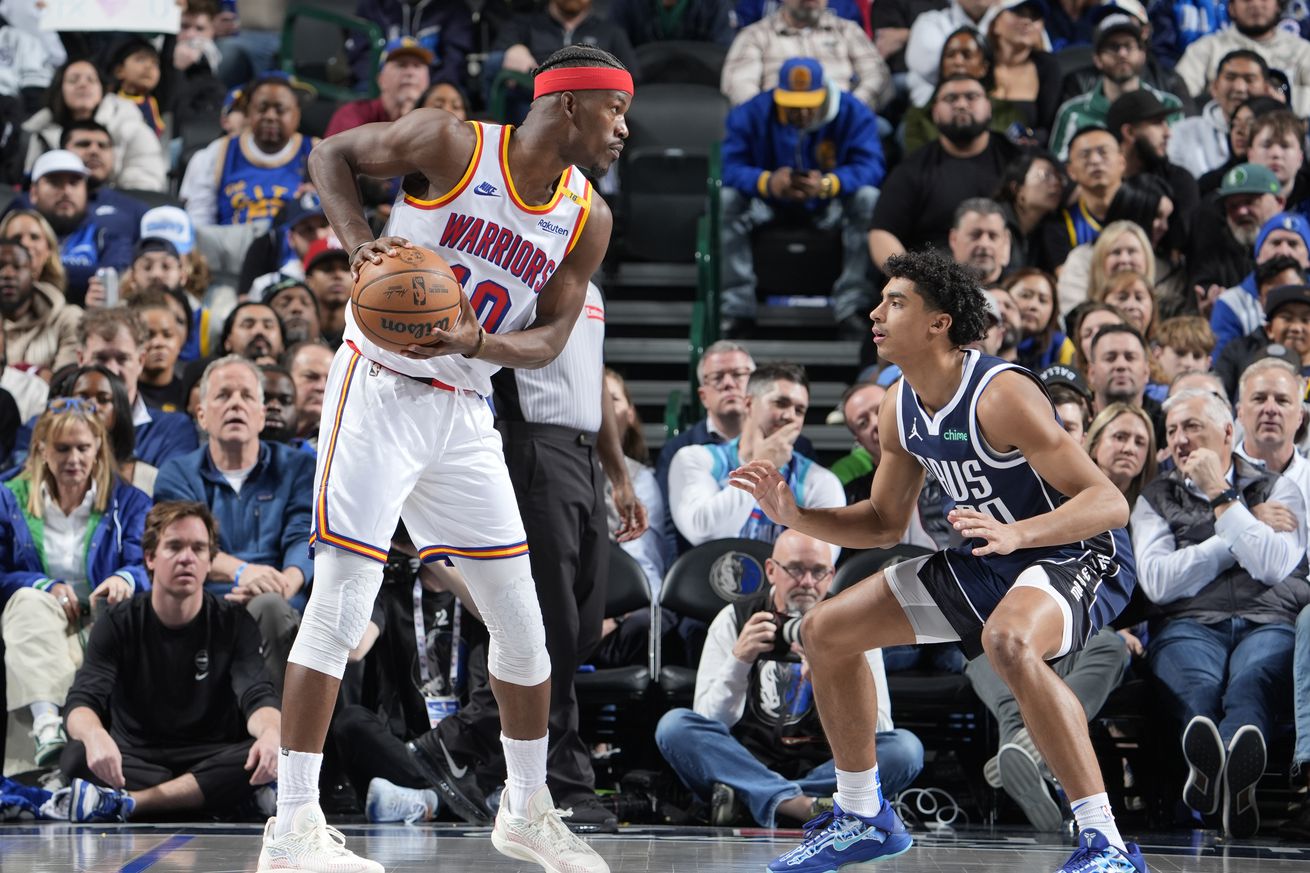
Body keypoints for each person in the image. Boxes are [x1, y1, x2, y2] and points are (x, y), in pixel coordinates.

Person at [257, 45, 630, 873]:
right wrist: (360, 247)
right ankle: (292, 827)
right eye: (615, 111)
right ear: (569, 104)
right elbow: (331, 154)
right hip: (380, 385)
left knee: (524, 625)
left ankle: (527, 808)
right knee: (344, 597)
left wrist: (479, 339)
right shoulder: (453, 143)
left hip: (465, 407)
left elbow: (551, 340)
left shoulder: (587, 215)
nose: (625, 128)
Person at [730, 250, 1144, 873]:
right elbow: (882, 523)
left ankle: (1106, 844)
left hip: (1077, 548)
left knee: (1008, 640)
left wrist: (1020, 533)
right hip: (992, 552)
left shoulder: (1001, 395)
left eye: (895, 302)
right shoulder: (899, 406)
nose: (875, 312)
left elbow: (1108, 502)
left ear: (938, 323)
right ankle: (862, 813)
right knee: (825, 631)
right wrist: (796, 516)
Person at [412, 282, 646, 832]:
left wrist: (618, 474)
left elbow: (592, 380)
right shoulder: (522, 268)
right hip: (530, 445)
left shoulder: (592, 287)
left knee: (582, 627)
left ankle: (462, 738)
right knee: (551, 629)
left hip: (584, 455)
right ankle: (560, 785)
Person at [655, 529, 924, 827]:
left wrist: (832, 682)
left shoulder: (852, 624)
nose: (807, 582)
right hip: (746, 760)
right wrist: (739, 661)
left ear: (832, 575)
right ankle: (803, 806)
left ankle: (766, 801)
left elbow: (880, 728)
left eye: (818, 572)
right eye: (795, 569)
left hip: (828, 768)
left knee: (906, 749)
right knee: (673, 726)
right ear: (771, 570)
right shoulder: (734, 619)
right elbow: (708, 720)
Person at [1132, 387, 1306, 838]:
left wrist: (1219, 492)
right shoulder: (1155, 494)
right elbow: (1159, 582)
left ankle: (1219, 770)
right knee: (1198, 687)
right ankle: (1221, 771)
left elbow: (1272, 564)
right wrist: (1240, 525)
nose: (1180, 439)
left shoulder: (1280, 484)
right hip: (1188, 623)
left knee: (1252, 682)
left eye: (1192, 426)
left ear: (1229, 431)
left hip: (1269, 618)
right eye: (1171, 431)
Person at [58, 501, 281, 823]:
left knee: (271, 753)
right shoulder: (119, 622)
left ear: (209, 561)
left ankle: (134, 804)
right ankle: (214, 800)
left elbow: (257, 695)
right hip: (137, 757)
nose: (187, 558)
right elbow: (82, 700)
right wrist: (95, 736)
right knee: (76, 756)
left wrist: (272, 735)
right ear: (150, 557)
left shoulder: (233, 621)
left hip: (213, 753)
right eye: (174, 547)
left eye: (199, 549)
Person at [0, 400, 150, 772]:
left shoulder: (127, 501)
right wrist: (41, 583)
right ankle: (47, 725)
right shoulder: (8, 498)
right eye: (62, 448)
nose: (74, 458)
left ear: (98, 447)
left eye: (83, 447)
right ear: (41, 449)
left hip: (104, 617)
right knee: (28, 602)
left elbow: (150, 562)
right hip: (40, 616)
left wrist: (124, 577)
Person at [154, 356, 316, 693]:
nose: (235, 404)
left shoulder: (298, 467)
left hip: (281, 599)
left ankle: (277, 734)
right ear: (201, 415)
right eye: (223, 395)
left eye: (246, 396)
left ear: (261, 414)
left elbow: (304, 535)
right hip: (207, 599)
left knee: (272, 608)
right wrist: (244, 572)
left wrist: (286, 582)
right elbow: (184, 546)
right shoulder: (177, 473)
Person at [718, 57, 884, 340]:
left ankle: (852, 307)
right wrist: (767, 181)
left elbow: (871, 166)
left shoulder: (852, 111)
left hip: (828, 203)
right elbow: (729, 166)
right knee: (727, 199)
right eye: (793, 103)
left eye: (809, 102)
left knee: (869, 199)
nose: (803, 110)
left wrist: (830, 183)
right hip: (769, 203)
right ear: (778, 94)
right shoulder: (752, 112)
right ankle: (737, 308)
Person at [669, 363, 844, 551]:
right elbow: (703, 533)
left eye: (799, 410)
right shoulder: (696, 459)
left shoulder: (820, 481)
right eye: (780, 403)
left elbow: (819, 558)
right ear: (748, 404)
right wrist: (761, 466)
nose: (790, 416)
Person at [868, 75, 1020, 270]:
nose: (961, 105)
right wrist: (914, 279)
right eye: (950, 99)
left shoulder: (1017, 158)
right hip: (937, 284)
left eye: (971, 96)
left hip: (1011, 282)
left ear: (989, 107)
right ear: (935, 113)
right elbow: (881, 233)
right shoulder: (913, 169)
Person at [179, 73, 318, 227]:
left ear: (297, 115)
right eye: (262, 108)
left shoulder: (317, 152)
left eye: (280, 110)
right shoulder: (217, 152)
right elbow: (200, 222)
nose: (270, 116)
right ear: (249, 112)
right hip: (232, 246)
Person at [1049, 11, 1185, 161]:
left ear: (1142, 54)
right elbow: (1061, 167)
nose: (1122, 54)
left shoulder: (1168, 105)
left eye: (1129, 45)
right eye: (1113, 47)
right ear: (1097, 59)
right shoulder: (1073, 112)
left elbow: (1178, 162)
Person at [77, 306, 198, 468]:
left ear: (141, 361)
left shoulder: (173, 430)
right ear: (80, 359)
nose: (112, 370)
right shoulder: (47, 426)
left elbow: (170, 490)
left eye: (122, 359)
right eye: (101, 358)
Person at [21, 58, 166, 192]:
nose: (83, 84)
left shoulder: (132, 128)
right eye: (73, 80)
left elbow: (146, 186)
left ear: (103, 89)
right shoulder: (38, 133)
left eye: (91, 80)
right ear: (60, 89)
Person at [722, 0, 892, 111]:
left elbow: (877, 76)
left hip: (842, 122)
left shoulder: (848, 30)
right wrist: (767, 118)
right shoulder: (755, 35)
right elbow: (739, 85)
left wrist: (852, 110)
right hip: (776, 122)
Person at [25, 150, 134, 307]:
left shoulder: (108, 230)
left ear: (86, 190)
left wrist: (42, 272)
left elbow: (113, 278)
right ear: (34, 192)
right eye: (55, 182)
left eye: (74, 183)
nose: (66, 191)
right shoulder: (20, 230)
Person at [1175, 0, 1310, 116]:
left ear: (1278, 5)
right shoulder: (1206, 48)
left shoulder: (1303, 51)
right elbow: (1178, 98)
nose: (1256, 4)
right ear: (1231, 8)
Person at [55, 364, 159, 493]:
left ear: (119, 410)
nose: (92, 405)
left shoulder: (148, 477)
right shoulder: (46, 471)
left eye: (103, 400)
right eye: (82, 398)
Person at [1169, 50, 1271, 178]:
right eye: (1230, 78)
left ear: (1266, 89)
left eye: (1249, 79)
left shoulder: (1282, 132)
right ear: (1214, 87)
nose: (1239, 88)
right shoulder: (1182, 132)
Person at [1213, 260, 1309, 395]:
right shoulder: (1239, 352)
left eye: (1306, 320)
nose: (1296, 328)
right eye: (1287, 318)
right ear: (1269, 328)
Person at [1041, 125, 1126, 269]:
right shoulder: (1059, 226)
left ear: (1122, 161)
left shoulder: (1146, 209)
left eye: (1103, 152)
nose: (1095, 160)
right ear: (1071, 170)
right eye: (1084, 155)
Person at [0, 235, 81, 375]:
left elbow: (64, 383)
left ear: (34, 272)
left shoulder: (67, 319)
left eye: (17, 266)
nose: (7, 274)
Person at [326, 38, 432, 137]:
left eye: (417, 66)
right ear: (381, 79)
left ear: (428, 81)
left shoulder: (434, 120)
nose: (410, 73)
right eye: (401, 65)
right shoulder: (353, 114)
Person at [609, 0, 735, 46]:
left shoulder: (716, 4)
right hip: (639, 87)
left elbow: (722, 51)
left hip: (702, 86)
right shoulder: (625, 4)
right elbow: (615, 51)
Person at [0, 209, 66, 294]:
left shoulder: (62, 304)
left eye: (34, 237)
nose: (26, 244)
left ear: (49, 250)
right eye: (16, 238)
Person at [948, 198, 1010, 286]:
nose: (984, 244)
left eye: (993, 236)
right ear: (953, 239)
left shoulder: (1018, 293)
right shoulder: (932, 292)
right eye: (975, 235)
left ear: (1006, 241)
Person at [286, 341, 332, 451]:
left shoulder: (342, 441)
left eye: (330, 380)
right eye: (311, 377)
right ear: (286, 378)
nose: (321, 387)